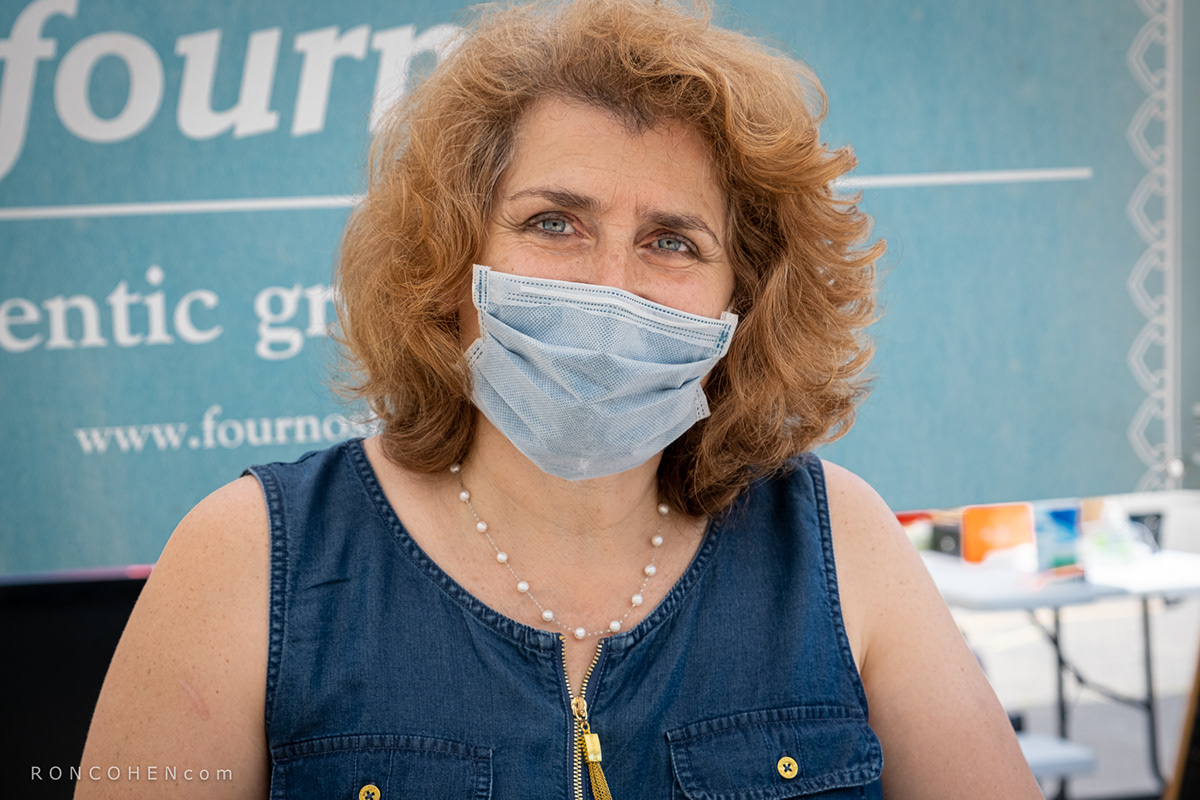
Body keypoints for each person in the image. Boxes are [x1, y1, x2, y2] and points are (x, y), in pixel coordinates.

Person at [77, 1, 1042, 797]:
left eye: (673, 240)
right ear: (455, 267)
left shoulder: (837, 540)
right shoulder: (255, 557)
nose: (609, 286)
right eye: (553, 223)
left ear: (741, 306)